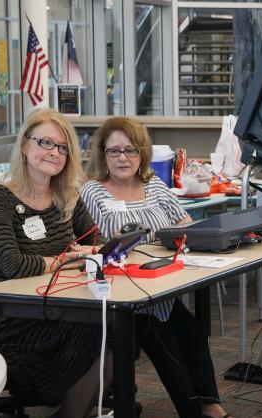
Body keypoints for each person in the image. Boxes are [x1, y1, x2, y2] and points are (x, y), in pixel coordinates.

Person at [80, 117, 229, 418]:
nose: (123, 158)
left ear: (141, 154)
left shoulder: (153, 184)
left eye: (130, 151)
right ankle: (194, 412)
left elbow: (185, 224)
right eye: (114, 151)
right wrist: (160, 233)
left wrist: (148, 234)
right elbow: (113, 238)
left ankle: (211, 406)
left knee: (193, 332)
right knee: (167, 343)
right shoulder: (94, 191)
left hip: (162, 286)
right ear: (103, 154)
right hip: (126, 295)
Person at [0, 109, 111, 418]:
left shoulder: (67, 196)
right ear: (24, 146)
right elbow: (13, 265)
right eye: (45, 142)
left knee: (122, 327)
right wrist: (65, 260)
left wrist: (81, 253)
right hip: (7, 318)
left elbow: (96, 243)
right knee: (102, 331)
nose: (54, 152)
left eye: (62, 147)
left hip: (56, 303)